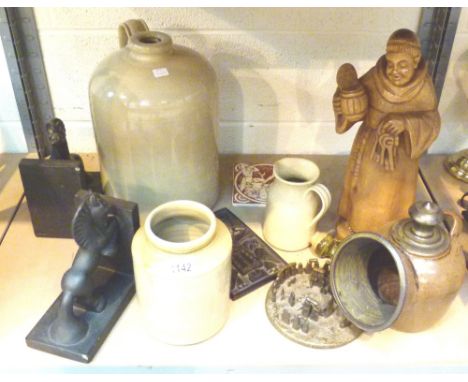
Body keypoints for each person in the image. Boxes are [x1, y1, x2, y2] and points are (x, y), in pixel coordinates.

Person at [333, 29, 441, 239]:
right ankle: (354, 231)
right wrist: (342, 101)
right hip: (368, 146)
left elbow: (432, 121)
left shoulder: (423, 88)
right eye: (391, 64)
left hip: (399, 158)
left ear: (416, 61)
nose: (394, 71)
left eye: (403, 65)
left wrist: (406, 123)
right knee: (360, 191)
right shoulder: (376, 76)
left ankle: (381, 235)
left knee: (385, 198)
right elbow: (356, 99)